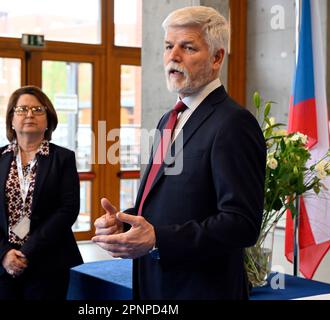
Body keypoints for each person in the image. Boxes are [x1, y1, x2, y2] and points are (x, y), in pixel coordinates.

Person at [92, 6, 266, 299]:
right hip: (155, 283)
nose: (173, 56)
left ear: (216, 57)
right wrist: (125, 222)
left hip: (201, 289)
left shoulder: (234, 123)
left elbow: (242, 224)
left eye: (187, 47)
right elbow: (166, 204)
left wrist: (158, 238)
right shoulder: (168, 119)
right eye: (168, 46)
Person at [0, 85, 83, 300]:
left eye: (38, 110)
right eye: (21, 109)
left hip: (49, 260)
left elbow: (68, 210)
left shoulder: (63, 159)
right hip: (2, 261)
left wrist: (27, 252)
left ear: (48, 120)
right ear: (11, 120)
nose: (29, 114)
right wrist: (4, 254)